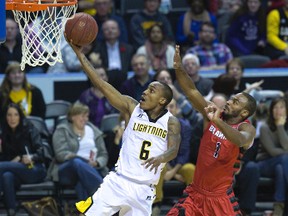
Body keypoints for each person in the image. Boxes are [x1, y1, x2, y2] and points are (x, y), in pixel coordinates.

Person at [67, 39, 181, 215]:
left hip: (144, 189)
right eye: (146, 89)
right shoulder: (131, 107)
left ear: (162, 100)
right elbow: (101, 84)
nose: (144, 92)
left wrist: (161, 157)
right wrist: (80, 55)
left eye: (151, 91)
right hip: (118, 182)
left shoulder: (171, 121)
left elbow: (174, 150)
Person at [167, 45, 257, 216]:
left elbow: (240, 140)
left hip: (220, 199)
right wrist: (179, 69)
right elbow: (192, 91)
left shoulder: (246, 128)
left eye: (235, 102)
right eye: (231, 99)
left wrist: (217, 121)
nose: (229, 102)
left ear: (244, 112)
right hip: (195, 194)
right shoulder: (215, 114)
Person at [49, 102, 109, 200]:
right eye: (82, 116)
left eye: (87, 116)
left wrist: (97, 162)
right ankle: (102, 191)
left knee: (82, 180)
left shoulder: (93, 131)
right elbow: (60, 154)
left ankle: (87, 212)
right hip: (67, 169)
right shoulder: (62, 130)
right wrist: (80, 159)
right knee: (77, 162)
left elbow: (103, 154)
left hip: (91, 168)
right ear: (73, 117)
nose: (85, 119)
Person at [0, 103, 47, 216]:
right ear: (5, 117)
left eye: (16, 115)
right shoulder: (4, 133)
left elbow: (42, 153)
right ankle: (11, 210)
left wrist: (31, 157)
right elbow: (6, 161)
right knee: (7, 176)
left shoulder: (30, 128)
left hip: (34, 169)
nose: (12, 118)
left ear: (20, 116)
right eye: (9, 115)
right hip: (14, 171)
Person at [152, 99, 196, 215]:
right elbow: (156, 152)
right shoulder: (154, 126)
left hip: (178, 165)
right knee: (157, 167)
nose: (169, 110)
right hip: (163, 164)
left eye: (171, 107)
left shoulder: (185, 127)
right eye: (165, 107)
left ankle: (193, 203)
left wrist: (174, 173)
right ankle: (156, 204)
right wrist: (169, 170)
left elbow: (185, 152)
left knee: (190, 169)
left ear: (177, 109)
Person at [256, 97, 288, 216]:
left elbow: (285, 147)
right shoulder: (265, 127)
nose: (278, 110)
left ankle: (278, 208)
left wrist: (281, 127)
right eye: (275, 107)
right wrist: (279, 126)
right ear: (271, 110)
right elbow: (272, 152)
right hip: (265, 164)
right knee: (284, 158)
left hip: (281, 165)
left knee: (280, 168)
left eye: (281, 107)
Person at [94, 19, 134, 90]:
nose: (110, 31)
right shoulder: (97, 49)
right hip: (105, 81)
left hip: (124, 80)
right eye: (106, 29)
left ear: (119, 31)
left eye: (113, 28)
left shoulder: (128, 49)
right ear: (103, 33)